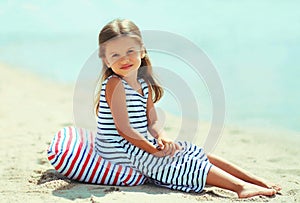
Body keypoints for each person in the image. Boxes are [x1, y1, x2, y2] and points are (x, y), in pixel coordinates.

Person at [94, 18, 281, 198]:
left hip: (139, 142)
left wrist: (162, 137)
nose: (124, 59)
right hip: (117, 149)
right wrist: (153, 150)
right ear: (106, 60)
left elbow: (153, 121)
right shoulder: (115, 84)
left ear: (142, 51)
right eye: (115, 55)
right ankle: (240, 187)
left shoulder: (143, 84)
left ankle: (253, 180)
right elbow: (124, 129)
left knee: (193, 151)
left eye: (130, 51)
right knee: (180, 162)